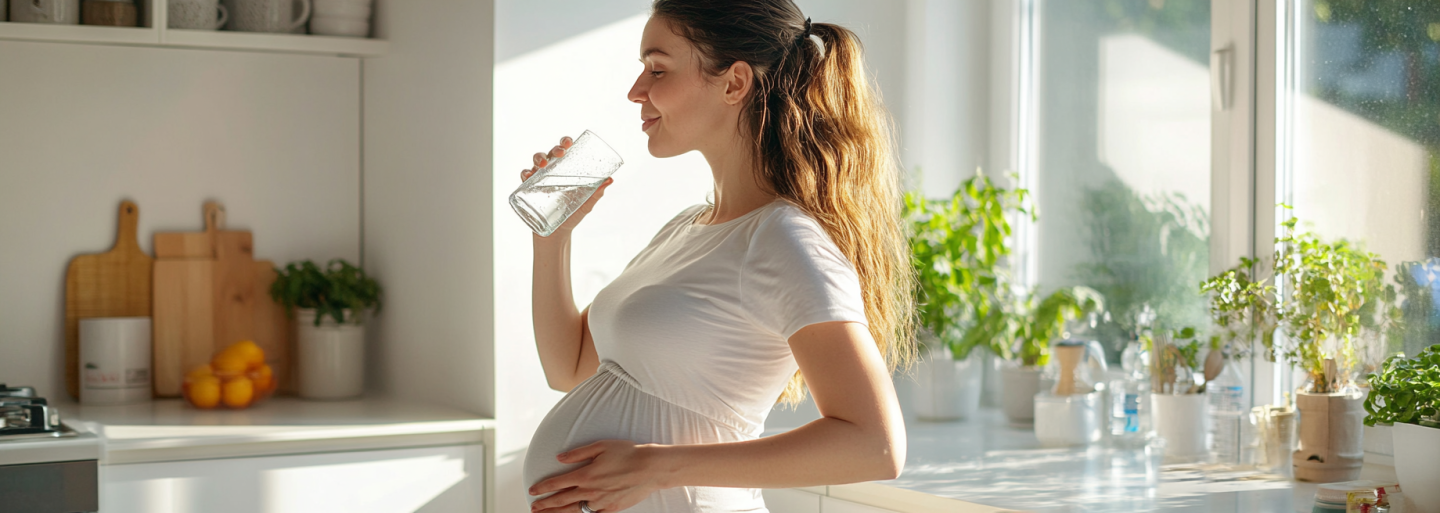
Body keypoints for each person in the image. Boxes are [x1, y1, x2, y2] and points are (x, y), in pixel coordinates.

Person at [521, 1, 915, 511]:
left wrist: (658, 466)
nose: (636, 91)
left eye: (657, 69)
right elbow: (569, 368)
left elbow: (875, 445)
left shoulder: (785, 240)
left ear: (734, 83)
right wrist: (552, 236)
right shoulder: (686, 228)